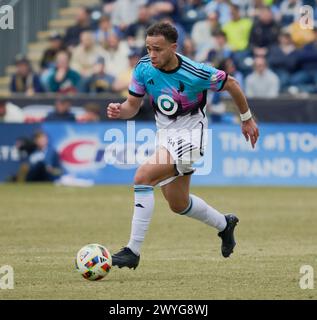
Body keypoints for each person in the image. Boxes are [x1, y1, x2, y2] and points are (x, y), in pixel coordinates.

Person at [107, 22, 259, 269]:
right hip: (165, 138)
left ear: (173, 47)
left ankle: (132, 250)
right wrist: (119, 110)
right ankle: (225, 224)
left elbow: (231, 83)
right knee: (178, 204)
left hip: (191, 139)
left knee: (143, 177)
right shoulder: (144, 67)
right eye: (148, 48)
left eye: (157, 49)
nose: (152, 54)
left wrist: (246, 119)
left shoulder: (195, 72)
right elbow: (131, 106)